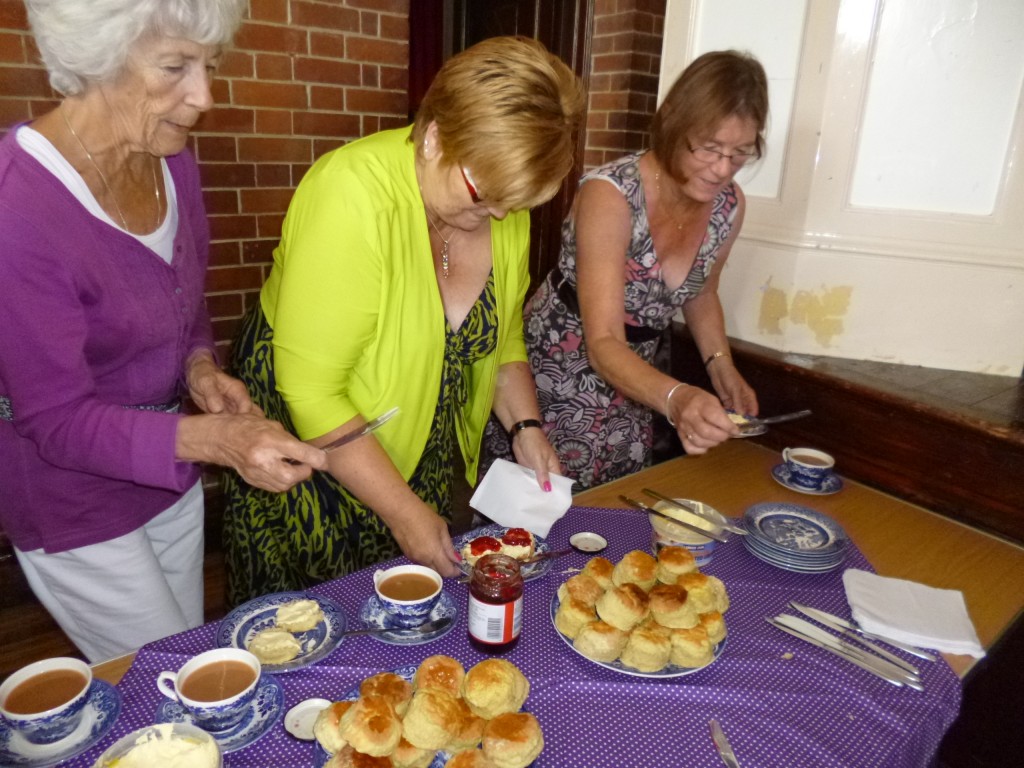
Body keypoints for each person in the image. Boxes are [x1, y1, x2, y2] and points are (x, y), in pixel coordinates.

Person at [0, 0, 328, 662]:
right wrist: (218, 440)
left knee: (186, 656)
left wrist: (200, 369)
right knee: (167, 677)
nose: (204, 96)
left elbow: (184, 306)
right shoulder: (17, 207)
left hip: (167, 472)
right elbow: (56, 420)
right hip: (72, 498)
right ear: (97, 59)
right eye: (175, 66)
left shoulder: (170, 157)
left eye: (210, 65)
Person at [223, 36, 584, 605]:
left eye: (515, 204)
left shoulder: (498, 198)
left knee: (411, 610)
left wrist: (526, 428)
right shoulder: (350, 195)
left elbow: (502, 334)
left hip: (418, 442)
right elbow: (312, 391)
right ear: (435, 136)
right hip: (313, 452)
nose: (498, 215)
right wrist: (403, 510)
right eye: (485, 196)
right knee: (321, 614)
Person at [485, 50, 766, 489]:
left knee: (613, 503)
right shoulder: (611, 195)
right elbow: (602, 342)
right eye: (709, 148)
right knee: (538, 507)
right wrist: (676, 398)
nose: (722, 169)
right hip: (559, 370)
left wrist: (720, 365)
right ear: (672, 121)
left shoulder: (729, 205)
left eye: (740, 153)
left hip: (637, 381)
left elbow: (701, 290)